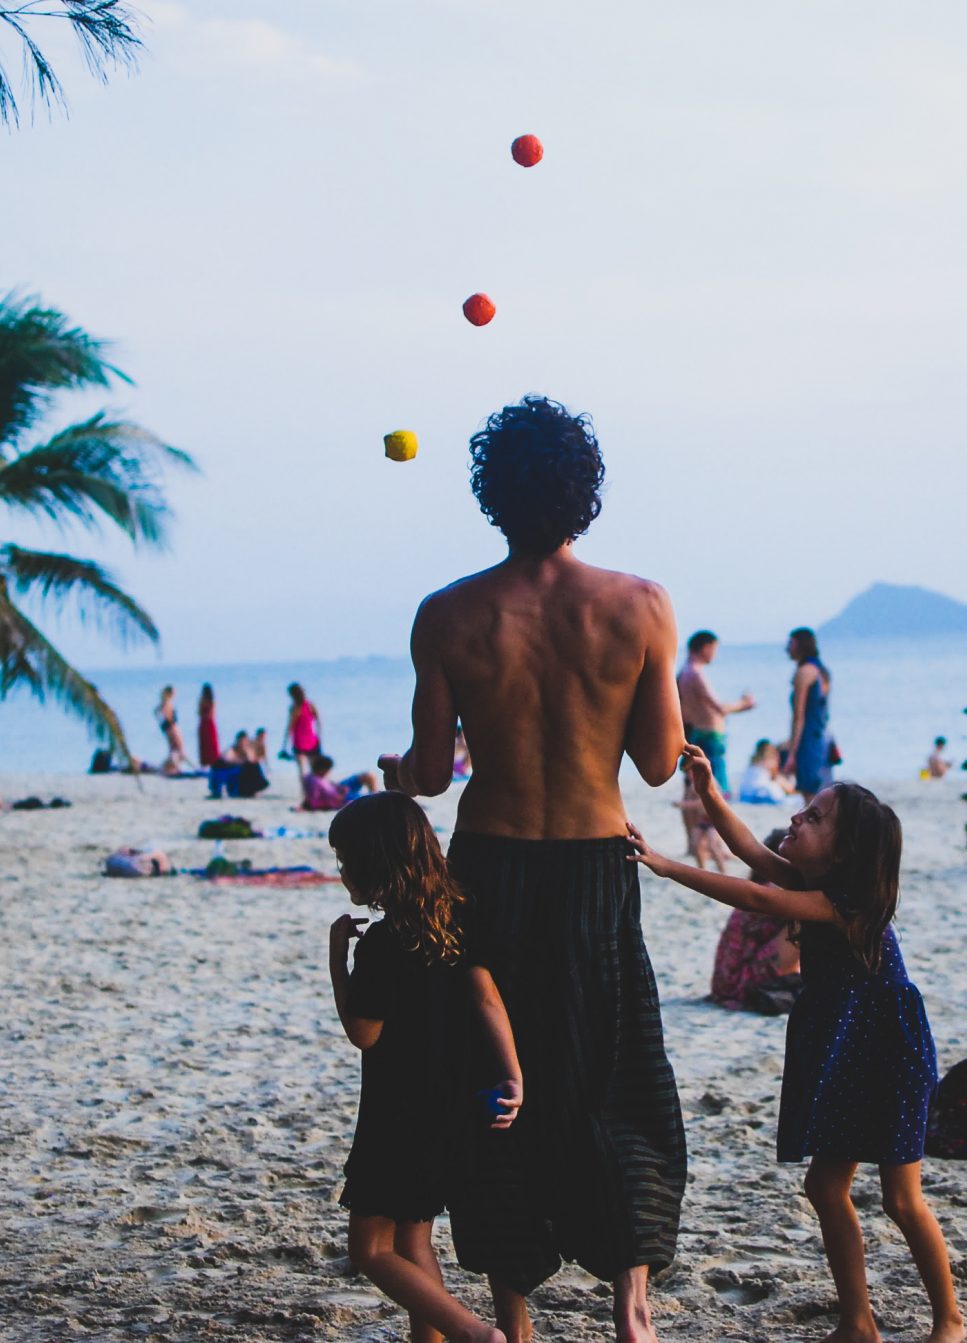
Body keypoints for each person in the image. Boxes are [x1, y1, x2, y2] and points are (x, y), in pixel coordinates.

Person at [376, 395, 685, 1343]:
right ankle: (630, 1308)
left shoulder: (449, 615)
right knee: (615, 1076)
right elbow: (660, 760)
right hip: (597, 864)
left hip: (493, 867)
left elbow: (431, 775)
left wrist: (399, 775)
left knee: (498, 1086)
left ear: (492, 495)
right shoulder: (638, 605)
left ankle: (515, 1320)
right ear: (583, 493)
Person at [628, 750, 966, 1343]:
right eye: (803, 811)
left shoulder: (844, 903)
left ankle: (951, 1321)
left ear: (843, 852)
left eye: (814, 818)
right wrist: (707, 792)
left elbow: (755, 897)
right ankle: (858, 1322)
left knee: (901, 1199)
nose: (796, 820)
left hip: (887, 1050)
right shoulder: (811, 879)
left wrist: (665, 865)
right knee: (824, 1186)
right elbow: (750, 855)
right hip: (842, 1047)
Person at [326, 793, 521, 1343]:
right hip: (452, 1109)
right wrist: (513, 1074)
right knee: (413, 1242)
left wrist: (338, 963)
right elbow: (486, 997)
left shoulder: (383, 945)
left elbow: (364, 1033)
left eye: (346, 861)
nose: (342, 872)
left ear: (373, 864)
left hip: (396, 1117)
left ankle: (475, 1335)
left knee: (368, 1250)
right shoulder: (460, 917)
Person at [708, 828, 803, 1013]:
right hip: (738, 984)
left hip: (725, 981)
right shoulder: (775, 889)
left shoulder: (764, 885)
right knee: (806, 921)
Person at [676, 631, 753, 795]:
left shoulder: (684, 673)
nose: (715, 654)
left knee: (700, 778)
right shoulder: (695, 674)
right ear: (705, 648)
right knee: (717, 783)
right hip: (710, 734)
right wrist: (744, 704)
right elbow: (719, 708)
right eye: (714, 649)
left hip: (697, 730)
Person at [782, 627, 833, 796]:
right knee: (822, 792)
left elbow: (799, 716)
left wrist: (792, 753)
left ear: (799, 645)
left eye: (790, 643)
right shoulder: (821, 671)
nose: (787, 648)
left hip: (808, 739)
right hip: (822, 737)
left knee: (809, 793)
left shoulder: (804, 672)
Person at [300, 752, 380, 811]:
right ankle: (376, 798)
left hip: (339, 789)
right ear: (322, 770)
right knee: (369, 797)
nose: (329, 772)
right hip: (342, 797)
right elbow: (318, 800)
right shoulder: (316, 782)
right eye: (328, 770)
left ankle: (375, 795)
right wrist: (342, 792)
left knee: (369, 776)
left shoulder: (311, 777)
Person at [208, 730, 271, 800]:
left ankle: (252, 790)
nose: (242, 743)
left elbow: (252, 760)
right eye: (241, 741)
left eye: (244, 742)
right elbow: (226, 758)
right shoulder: (232, 749)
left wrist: (246, 754)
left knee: (253, 766)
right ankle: (250, 790)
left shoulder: (247, 749)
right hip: (226, 770)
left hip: (237, 772)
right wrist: (240, 759)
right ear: (237, 741)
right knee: (250, 767)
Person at [738, 739, 796, 806]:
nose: (778, 761)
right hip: (762, 795)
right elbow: (789, 788)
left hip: (745, 796)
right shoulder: (769, 763)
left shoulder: (753, 764)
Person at [286, 682, 322, 783]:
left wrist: (285, 745)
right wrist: (319, 737)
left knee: (302, 769)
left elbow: (290, 727)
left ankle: (306, 793)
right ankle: (316, 790)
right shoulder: (310, 705)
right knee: (315, 768)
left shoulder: (295, 708)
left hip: (299, 741)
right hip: (312, 739)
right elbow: (319, 721)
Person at [156, 686, 190, 776]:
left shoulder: (162, 704)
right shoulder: (167, 704)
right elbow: (169, 718)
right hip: (172, 728)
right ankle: (176, 767)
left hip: (168, 728)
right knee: (178, 749)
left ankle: (171, 767)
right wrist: (171, 725)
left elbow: (157, 713)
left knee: (174, 749)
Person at [196, 683, 221, 768]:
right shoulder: (211, 701)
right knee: (210, 745)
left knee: (206, 745)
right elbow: (213, 714)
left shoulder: (203, 701)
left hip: (205, 724)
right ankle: (212, 762)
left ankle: (206, 763)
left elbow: (199, 713)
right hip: (209, 724)